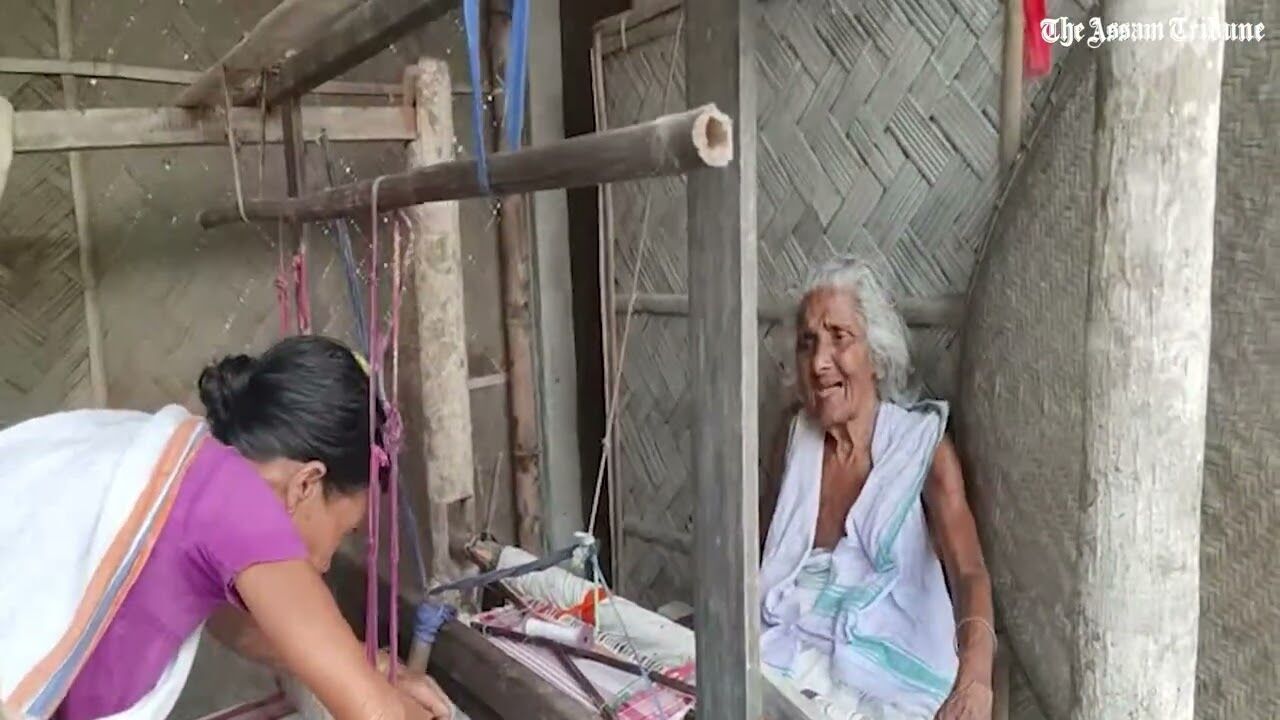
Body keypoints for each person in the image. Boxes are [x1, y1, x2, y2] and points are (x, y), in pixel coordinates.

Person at [0, 336, 452, 720]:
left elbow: (237, 625)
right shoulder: (240, 506)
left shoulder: (186, 471)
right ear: (307, 484)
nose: (327, 559)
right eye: (346, 529)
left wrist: (371, 664)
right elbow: (374, 715)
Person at [759, 259, 995, 720]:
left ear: (876, 353)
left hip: (887, 684)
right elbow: (769, 563)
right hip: (788, 660)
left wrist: (976, 679)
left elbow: (970, 573)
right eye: (808, 343)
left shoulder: (921, 450)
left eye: (839, 337)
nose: (820, 361)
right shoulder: (792, 441)